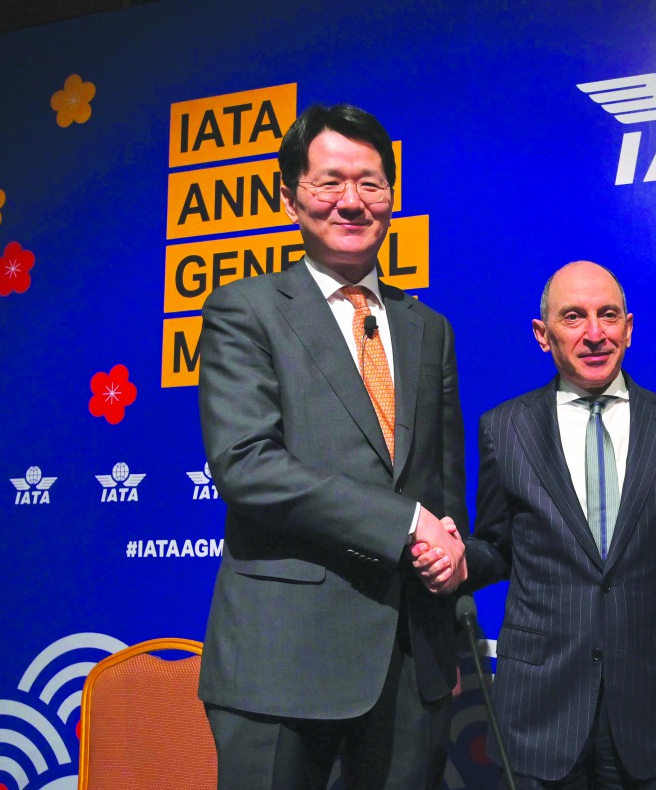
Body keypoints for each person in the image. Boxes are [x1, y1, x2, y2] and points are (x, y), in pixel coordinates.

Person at [196, 103, 467, 790]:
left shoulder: (427, 327)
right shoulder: (244, 309)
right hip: (282, 661)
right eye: (329, 182)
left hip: (411, 661)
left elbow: (440, 486)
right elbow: (246, 464)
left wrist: (451, 550)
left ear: (393, 197)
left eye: (371, 183)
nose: (352, 201)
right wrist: (403, 524)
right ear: (291, 198)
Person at [424, 261, 656, 789]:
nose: (594, 333)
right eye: (574, 317)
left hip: (650, 707)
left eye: (607, 315)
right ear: (543, 335)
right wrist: (456, 562)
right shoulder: (504, 428)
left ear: (628, 329)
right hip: (540, 706)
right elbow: (497, 545)